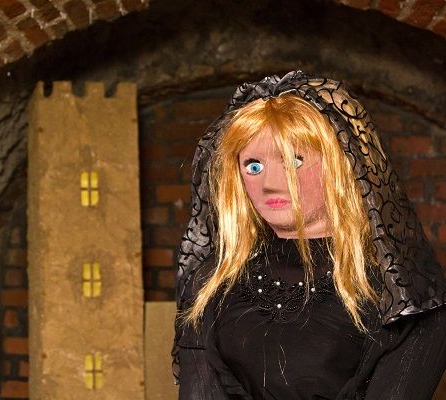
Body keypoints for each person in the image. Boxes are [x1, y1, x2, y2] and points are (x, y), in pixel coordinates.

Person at [172, 70, 446, 399]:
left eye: (294, 160)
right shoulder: (210, 284)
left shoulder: (404, 295)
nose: (270, 184)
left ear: (341, 165)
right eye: (253, 166)